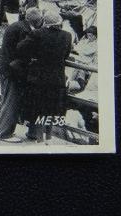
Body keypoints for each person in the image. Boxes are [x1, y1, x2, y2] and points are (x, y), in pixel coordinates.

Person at [17, 10, 73, 143]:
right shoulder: (67, 36)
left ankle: (33, 133)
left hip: (38, 77)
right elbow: (66, 55)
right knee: (50, 108)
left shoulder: (37, 33)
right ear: (59, 23)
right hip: (56, 77)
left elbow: (21, 48)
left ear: (45, 22)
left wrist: (34, 56)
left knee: (36, 106)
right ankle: (47, 136)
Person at [0, 7, 44, 143]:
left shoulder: (16, 26)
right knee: (12, 102)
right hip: (13, 72)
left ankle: (3, 131)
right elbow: (23, 51)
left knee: (8, 100)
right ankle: (3, 133)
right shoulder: (25, 31)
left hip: (6, 69)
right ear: (38, 20)